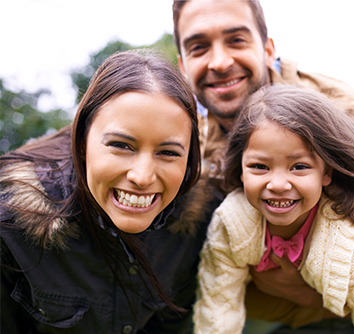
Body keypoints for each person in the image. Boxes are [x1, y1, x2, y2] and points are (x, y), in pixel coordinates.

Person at [172, 1, 354, 333]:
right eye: (198, 48)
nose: (219, 62)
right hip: (280, 309)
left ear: (267, 49)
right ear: (182, 65)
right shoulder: (186, 147)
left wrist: (353, 294)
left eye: (236, 40)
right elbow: (210, 279)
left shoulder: (351, 115)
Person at [0, 49, 215, 333]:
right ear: (82, 143)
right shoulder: (10, 228)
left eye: (168, 152)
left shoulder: (192, 222)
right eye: (121, 145)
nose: (142, 177)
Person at [194, 85, 354, 333]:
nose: (277, 185)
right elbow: (217, 309)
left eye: (298, 167)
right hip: (278, 307)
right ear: (241, 169)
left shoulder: (353, 236)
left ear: (326, 172)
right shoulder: (231, 221)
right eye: (259, 166)